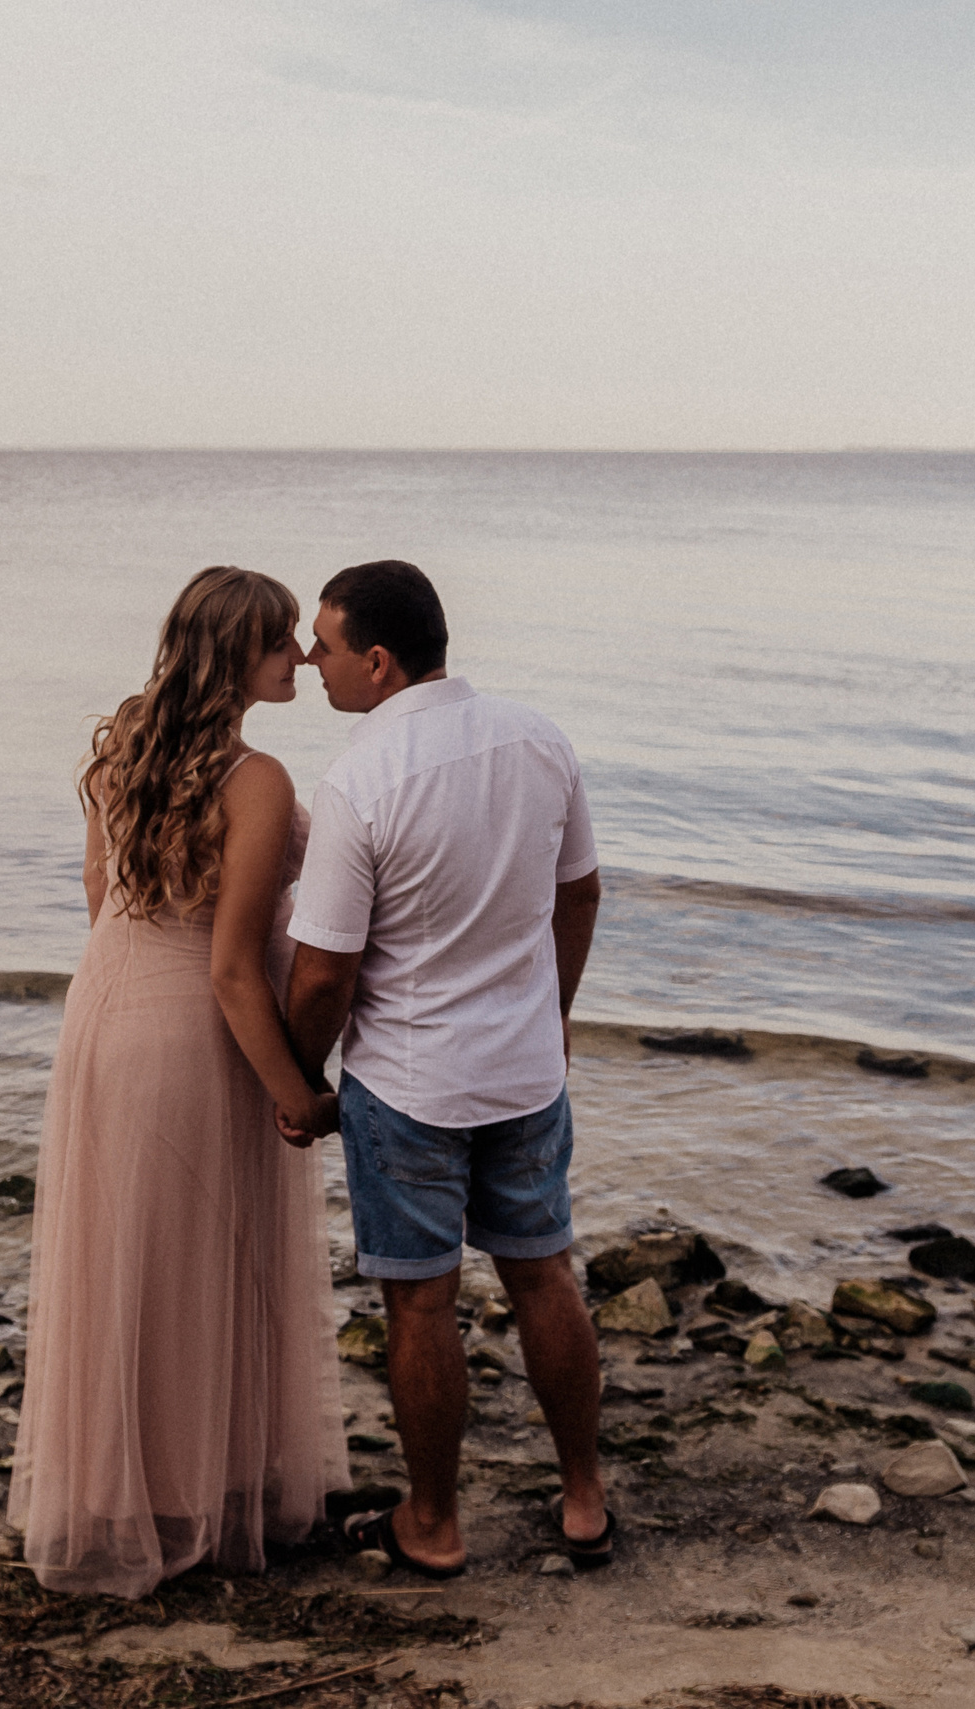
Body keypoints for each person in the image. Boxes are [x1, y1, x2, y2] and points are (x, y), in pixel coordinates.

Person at [11, 565, 350, 1599]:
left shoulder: (122, 744)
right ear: (232, 654)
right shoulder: (257, 780)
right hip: (190, 1029)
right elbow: (233, 965)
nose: (297, 655)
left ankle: (135, 1482)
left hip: (101, 1009)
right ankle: (198, 1487)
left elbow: (98, 895)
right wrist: (295, 1088)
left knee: (126, 1250)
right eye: (280, 639)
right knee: (203, 1247)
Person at [282, 559, 611, 1578]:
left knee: (420, 1302)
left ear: (376, 662)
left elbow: (326, 974)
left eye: (325, 646)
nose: (310, 661)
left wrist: (300, 1075)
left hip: (410, 1083)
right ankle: (584, 1498)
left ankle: (431, 1520)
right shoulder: (536, 736)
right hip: (523, 1069)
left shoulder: (358, 779)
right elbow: (581, 893)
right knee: (543, 1271)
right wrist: (550, 1012)